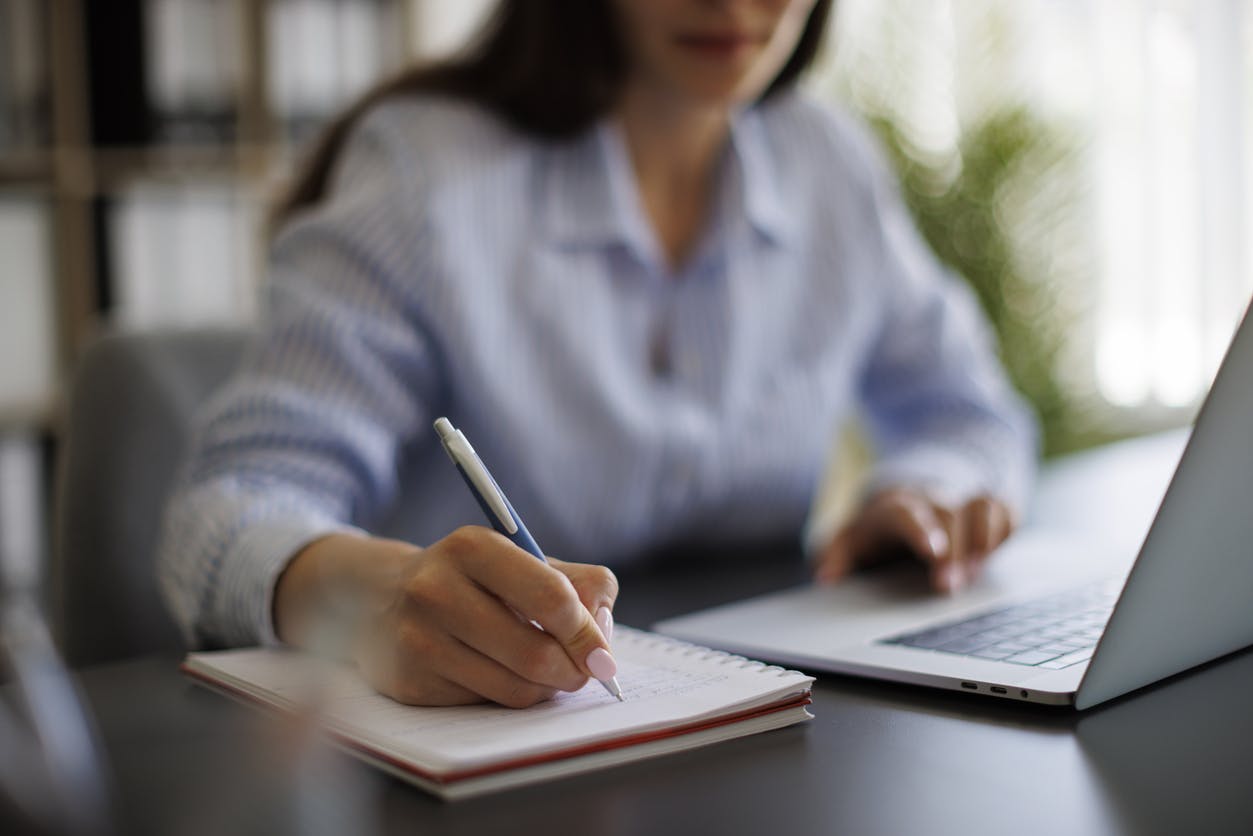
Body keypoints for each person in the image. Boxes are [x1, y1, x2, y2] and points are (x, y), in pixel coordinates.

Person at [158, 0, 1036, 709]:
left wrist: (924, 492)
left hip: (758, 728)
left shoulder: (829, 162)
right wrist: (370, 594)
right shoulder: (424, 174)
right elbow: (222, 513)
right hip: (474, 756)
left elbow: (972, 416)